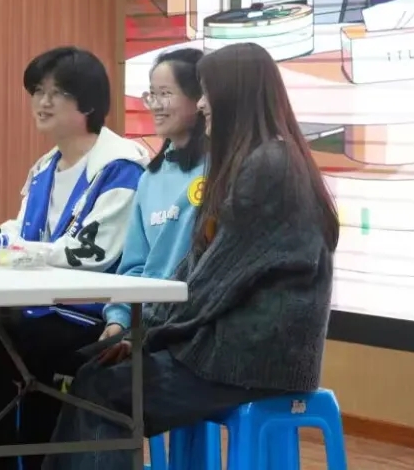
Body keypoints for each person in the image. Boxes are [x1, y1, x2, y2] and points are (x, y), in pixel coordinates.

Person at [42, 42, 340, 470]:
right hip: (233, 352)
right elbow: (199, 267)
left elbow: (214, 281)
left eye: (207, 92)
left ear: (234, 94)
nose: (201, 105)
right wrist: (141, 334)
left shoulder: (268, 167)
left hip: (252, 361)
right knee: (93, 374)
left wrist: (146, 337)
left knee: (104, 388)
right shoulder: (256, 160)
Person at [0, 46, 149, 470]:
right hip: (37, 310)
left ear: (88, 103)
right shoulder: (44, 168)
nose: (43, 102)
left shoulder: (121, 166)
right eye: (37, 91)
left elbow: (90, 253)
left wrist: (1, 249)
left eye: (57, 93)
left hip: (85, 317)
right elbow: (21, 232)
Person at [98, 48, 207, 343]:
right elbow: (135, 265)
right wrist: (118, 319)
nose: (155, 105)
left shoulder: (219, 171)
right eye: (151, 95)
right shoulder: (150, 178)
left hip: (191, 327)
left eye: (165, 94)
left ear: (199, 99)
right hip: (144, 323)